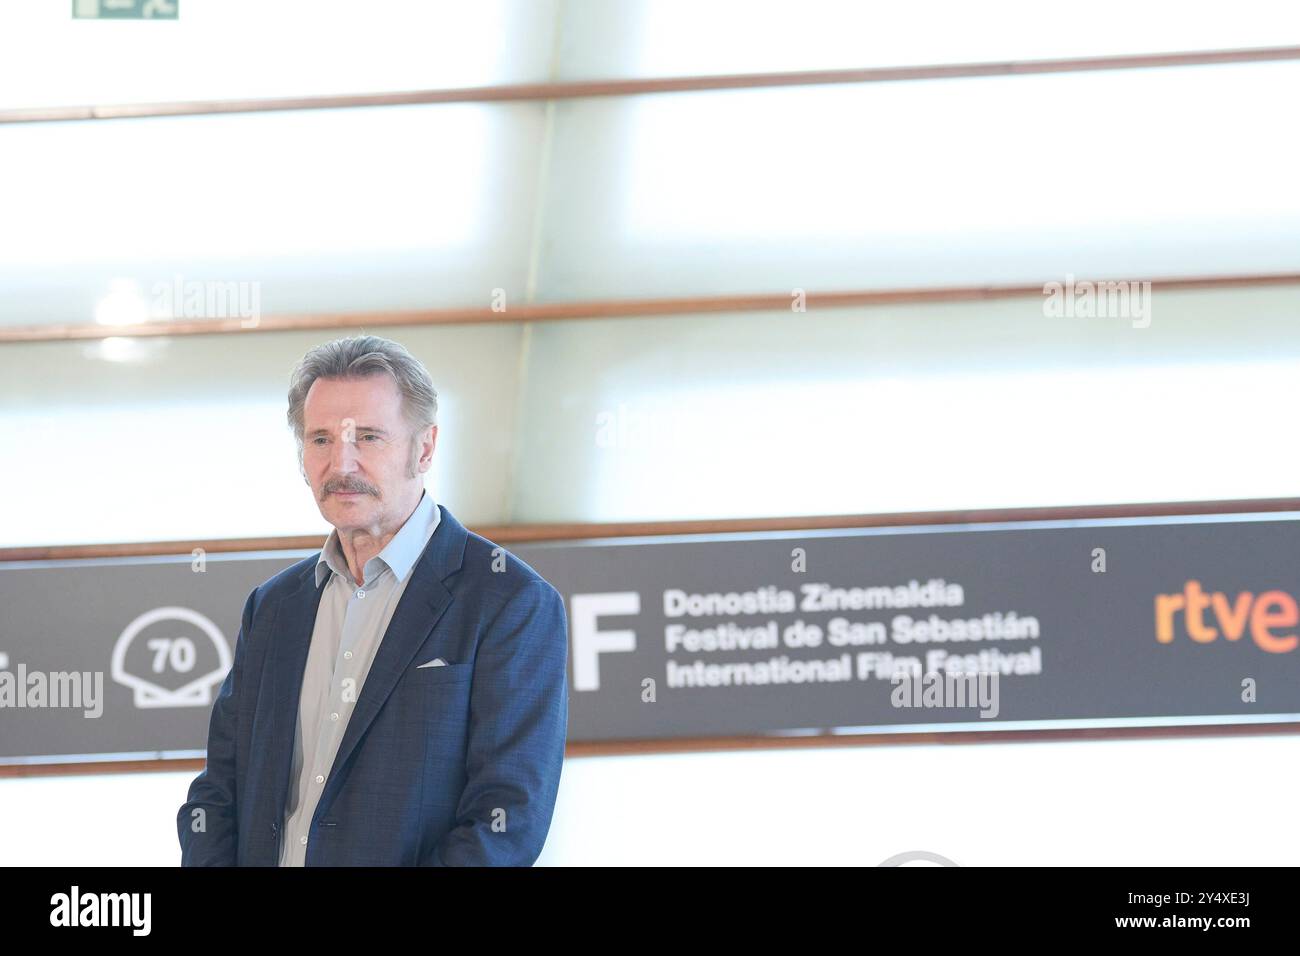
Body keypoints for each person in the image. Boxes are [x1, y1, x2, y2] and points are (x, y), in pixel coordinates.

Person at [177, 334, 569, 865]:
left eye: (367, 437)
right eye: (321, 440)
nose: (343, 464)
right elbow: (218, 790)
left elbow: (505, 823)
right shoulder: (274, 608)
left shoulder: (510, 602)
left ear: (424, 448)